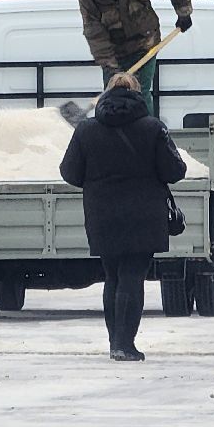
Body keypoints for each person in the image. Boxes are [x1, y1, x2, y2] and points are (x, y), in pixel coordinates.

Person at [59, 72, 187, 361]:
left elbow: (69, 172)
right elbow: (175, 171)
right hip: (144, 216)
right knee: (132, 275)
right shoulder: (153, 128)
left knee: (113, 276)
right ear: (137, 94)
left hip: (102, 215)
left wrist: (97, 183)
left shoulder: (86, 130)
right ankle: (124, 344)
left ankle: (115, 342)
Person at [77, 0, 195, 117]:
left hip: (144, 47)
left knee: (139, 94)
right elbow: (95, 36)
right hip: (114, 54)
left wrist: (183, 12)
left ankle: (147, 134)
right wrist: (111, 68)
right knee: (112, 98)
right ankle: (112, 139)